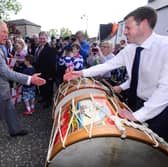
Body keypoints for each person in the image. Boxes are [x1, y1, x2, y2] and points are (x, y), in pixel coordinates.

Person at [64, 6, 168, 142]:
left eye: (128, 28)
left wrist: (138, 116)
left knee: (154, 150)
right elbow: (107, 65)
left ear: (143, 24)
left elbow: (165, 89)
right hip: (134, 102)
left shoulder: (165, 47)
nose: (124, 32)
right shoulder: (130, 49)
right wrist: (81, 73)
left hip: (159, 110)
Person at [0, 21, 46, 137]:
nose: (6, 35)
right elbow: (5, 72)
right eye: (3, 32)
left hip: (3, 89)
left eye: (7, 32)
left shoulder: (2, 46)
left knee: (10, 110)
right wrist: (30, 79)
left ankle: (15, 130)